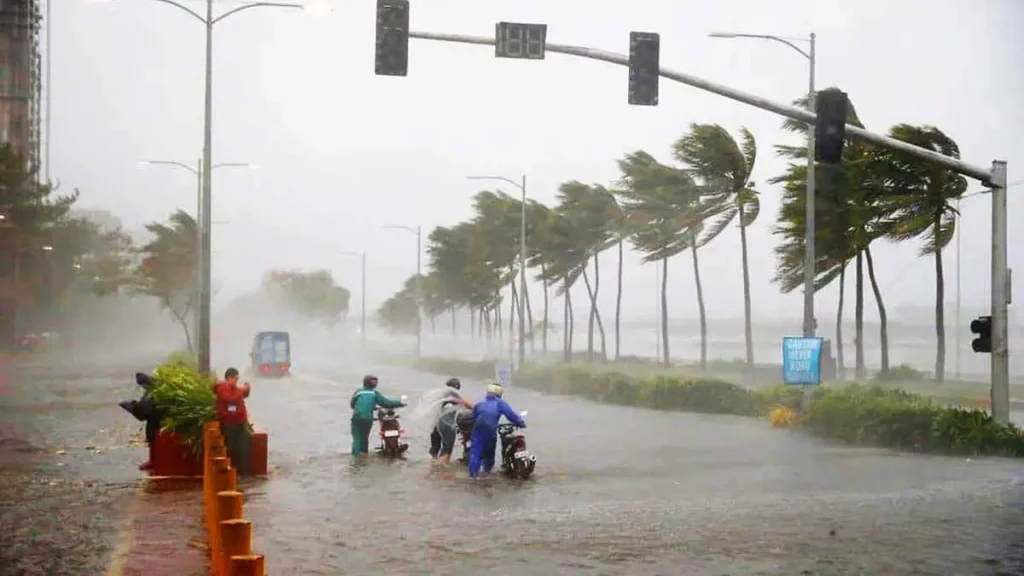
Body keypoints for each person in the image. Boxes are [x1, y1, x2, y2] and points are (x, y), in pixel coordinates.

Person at [467, 382, 525, 478]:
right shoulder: (500, 403)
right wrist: (521, 424)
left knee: (475, 454)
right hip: (490, 432)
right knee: (489, 456)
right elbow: (512, 416)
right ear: (500, 393)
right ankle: (486, 474)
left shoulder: (479, 404)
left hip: (477, 432)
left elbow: (473, 417)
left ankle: (472, 477)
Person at [350, 374, 405, 457]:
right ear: (374, 384)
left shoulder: (358, 392)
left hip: (356, 418)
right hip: (367, 419)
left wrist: (370, 407)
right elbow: (387, 403)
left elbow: (352, 404)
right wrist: (401, 403)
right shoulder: (374, 393)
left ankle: (355, 457)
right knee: (364, 438)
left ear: (364, 383)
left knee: (356, 439)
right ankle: (364, 454)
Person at [213, 367, 252, 475]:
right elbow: (231, 398)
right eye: (235, 378)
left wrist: (246, 388)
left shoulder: (236, 389)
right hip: (229, 423)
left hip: (240, 422)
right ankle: (232, 472)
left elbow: (245, 393)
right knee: (231, 447)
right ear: (229, 377)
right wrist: (244, 388)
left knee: (245, 446)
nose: (236, 381)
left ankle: (244, 472)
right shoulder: (222, 389)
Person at [429, 378, 474, 464]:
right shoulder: (455, 397)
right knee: (447, 451)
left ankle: (431, 468)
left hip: (436, 425)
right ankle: (443, 471)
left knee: (434, 449)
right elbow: (472, 406)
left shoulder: (442, 396)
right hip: (447, 426)